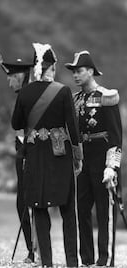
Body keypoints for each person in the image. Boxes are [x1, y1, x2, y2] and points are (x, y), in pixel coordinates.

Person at [11, 43, 83, 267]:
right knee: (68, 212)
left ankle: (47, 263)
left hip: (35, 157)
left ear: (35, 68)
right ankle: (72, 262)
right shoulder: (62, 91)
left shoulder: (24, 93)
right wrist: (78, 156)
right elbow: (72, 127)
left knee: (40, 210)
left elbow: (16, 123)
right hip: (60, 157)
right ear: (52, 67)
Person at [65, 51, 122, 267]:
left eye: (79, 71)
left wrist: (112, 166)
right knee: (81, 210)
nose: (75, 76)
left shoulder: (106, 96)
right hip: (82, 159)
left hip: (102, 156)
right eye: (73, 72)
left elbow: (116, 136)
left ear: (90, 71)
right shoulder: (75, 99)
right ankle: (86, 259)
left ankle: (104, 259)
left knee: (104, 211)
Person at [4, 58, 37, 263]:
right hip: (21, 149)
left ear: (19, 77)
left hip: (32, 150)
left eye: (11, 79)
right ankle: (31, 248)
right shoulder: (21, 95)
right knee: (21, 203)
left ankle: (37, 249)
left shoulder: (31, 94)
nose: (9, 83)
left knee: (32, 202)